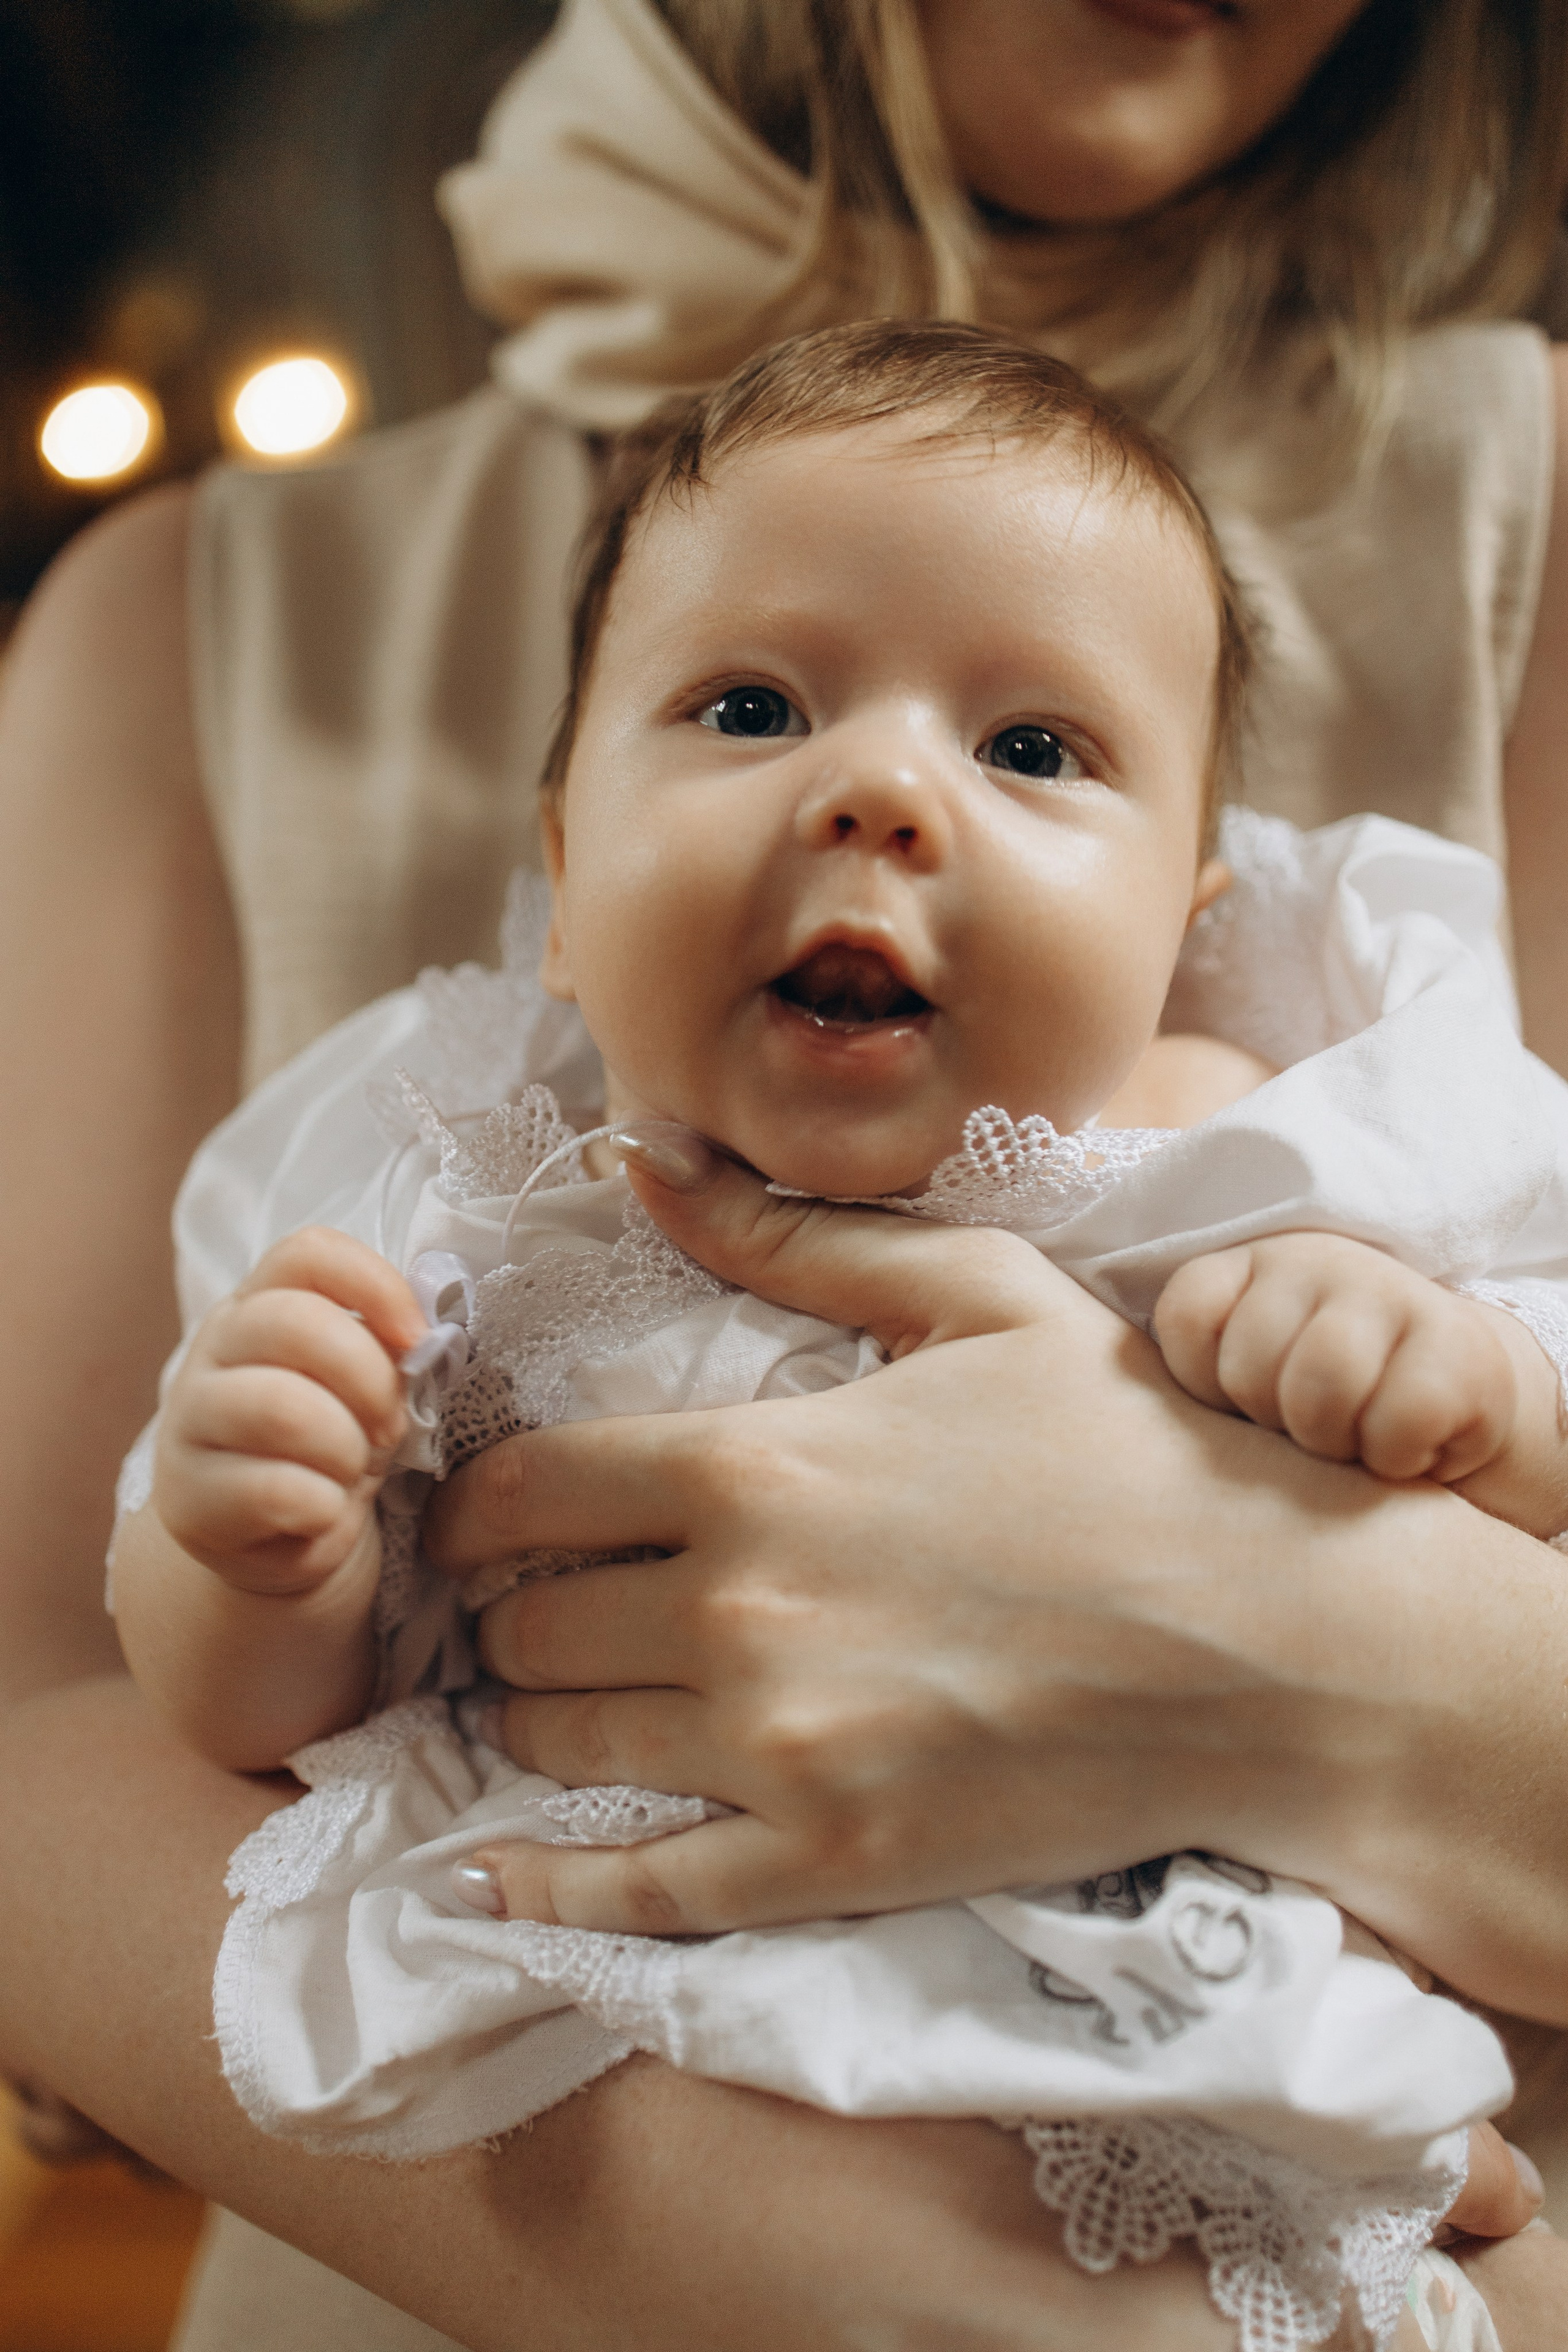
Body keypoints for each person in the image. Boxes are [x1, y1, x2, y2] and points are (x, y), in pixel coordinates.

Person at [3, 2, 1568, 2346]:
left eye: (1038, 747)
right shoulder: (454, 1163)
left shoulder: (1270, 1129)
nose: (884, 795)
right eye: (749, 706)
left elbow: (1518, 1374)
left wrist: (1382, 1582)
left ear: (1197, 903)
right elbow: (71, 1722)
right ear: (549, 858)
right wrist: (250, 1522)